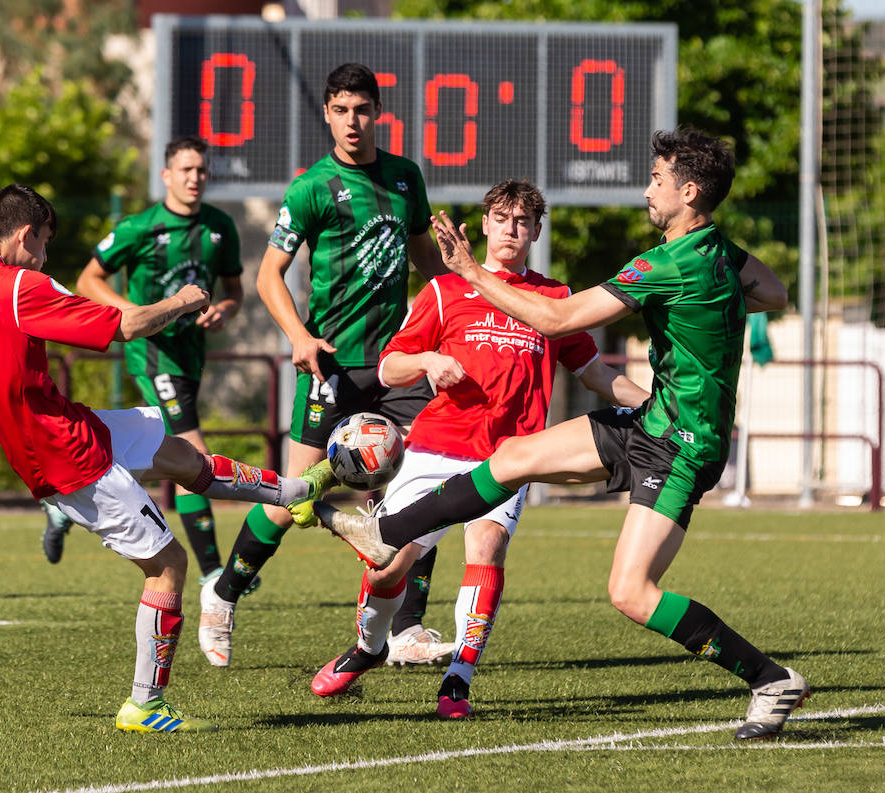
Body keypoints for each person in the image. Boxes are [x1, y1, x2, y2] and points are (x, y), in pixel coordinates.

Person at [312, 129, 807, 740]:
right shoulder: (717, 254)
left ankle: (768, 679)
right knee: (516, 456)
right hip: (653, 423)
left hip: (683, 445)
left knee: (630, 593)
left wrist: (468, 268)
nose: (648, 189)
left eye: (658, 180)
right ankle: (385, 533)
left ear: (690, 191)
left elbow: (557, 318)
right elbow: (777, 292)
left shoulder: (669, 262)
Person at [0, 184, 333, 733]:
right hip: (67, 457)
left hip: (65, 427)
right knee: (168, 567)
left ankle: (296, 493)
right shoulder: (23, 287)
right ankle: (145, 705)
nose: (46, 256)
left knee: (180, 457)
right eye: (45, 243)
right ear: (25, 235)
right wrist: (186, 300)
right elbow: (126, 326)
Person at [307, 179, 650, 717]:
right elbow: (390, 366)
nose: (512, 229)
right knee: (386, 566)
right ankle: (368, 650)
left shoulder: (554, 299)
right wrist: (427, 362)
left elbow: (593, 374)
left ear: (536, 231)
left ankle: (457, 681)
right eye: (503, 218)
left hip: (508, 456)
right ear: (485, 224)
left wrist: (657, 408)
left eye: (523, 221)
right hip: (435, 446)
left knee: (485, 551)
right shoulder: (444, 290)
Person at [198, 62, 449, 669]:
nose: (352, 121)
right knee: (292, 499)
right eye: (340, 110)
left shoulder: (405, 178)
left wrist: (459, 304)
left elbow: (424, 260)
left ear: (378, 111)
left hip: (397, 366)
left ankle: (406, 629)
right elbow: (266, 276)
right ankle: (223, 594)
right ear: (329, 115)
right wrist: (300, 336)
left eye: (362, 109)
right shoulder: (312, 187)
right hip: (331, 365)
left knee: (421, 492)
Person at [41, 136, 245, 595]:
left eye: (202, 170)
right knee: (193, 448)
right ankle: (214, 572)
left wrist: (226, 310)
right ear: (167, 175)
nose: (196, 178)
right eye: (186, 170)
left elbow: (234, 289)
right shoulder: (140, 228)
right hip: (153, 354)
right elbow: (88, 278)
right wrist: (129, 317)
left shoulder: (220, 227)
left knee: (163, 450)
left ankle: (64, 500)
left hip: (191, 353)